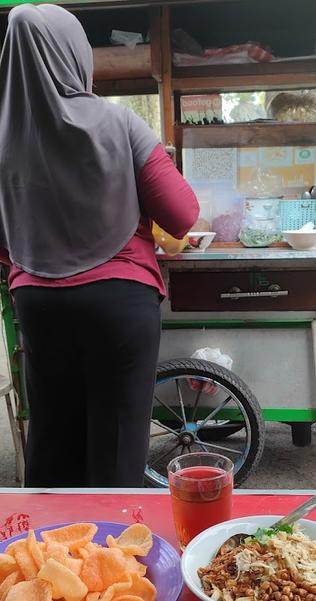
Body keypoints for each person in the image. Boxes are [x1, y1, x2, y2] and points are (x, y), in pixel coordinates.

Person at [0, 4, 199, 488]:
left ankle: (48, 555)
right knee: (115, 442)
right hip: (120, 300)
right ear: (74, 55)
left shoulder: (3, 137)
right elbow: (182, 215)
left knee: (52, 435)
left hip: (38, 303)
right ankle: (114, 553)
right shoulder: (119, 123)